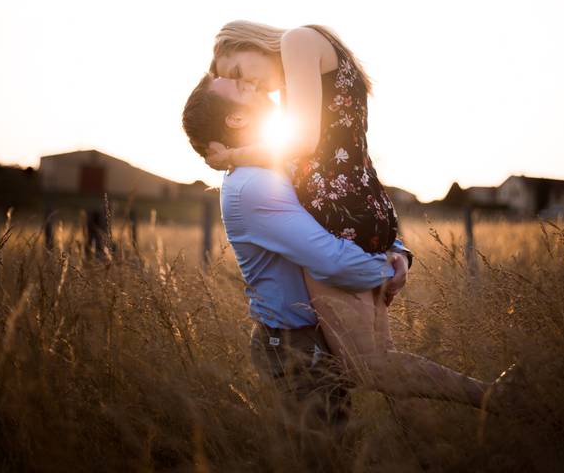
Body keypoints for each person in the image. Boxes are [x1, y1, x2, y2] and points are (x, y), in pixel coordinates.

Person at [182, 69, 508, 411]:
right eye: (240, 85)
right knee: (325, 452)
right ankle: (492, 398)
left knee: (355, 420)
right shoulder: (253, 187)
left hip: (315, 334)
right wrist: (385, 269)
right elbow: (332, 261)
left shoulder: (279, 166)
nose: (252, 80)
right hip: (293, 344)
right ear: (235, 117)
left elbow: (343, 216)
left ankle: (492, 397)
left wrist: (396, 251)